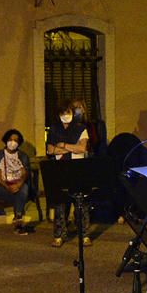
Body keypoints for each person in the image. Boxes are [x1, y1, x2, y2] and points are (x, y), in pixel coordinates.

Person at [46, 101, 90, 247]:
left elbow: (81, 148)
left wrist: (63, 145)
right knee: (60, 202)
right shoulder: (54, 129)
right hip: (60, 168)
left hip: (78, 167)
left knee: (80, 201)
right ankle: (59, 235)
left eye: (68, 113)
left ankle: (84, 234)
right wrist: (72, 148)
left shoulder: (80, 128)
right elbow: (51, 150)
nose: (66, 116)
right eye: (63, 113)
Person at [0, 129, 31, 235]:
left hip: (17, 185)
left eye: (16, 140)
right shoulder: (0, 155)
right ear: (6, 141)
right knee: (20, 193)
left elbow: (24, 173)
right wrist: (8, 187)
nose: (13, 142)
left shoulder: (22, 156)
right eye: (10, 139)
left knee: (23, 188)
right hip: (3, 187)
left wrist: (18, 184)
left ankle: (18, 218)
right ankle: (18, 223)